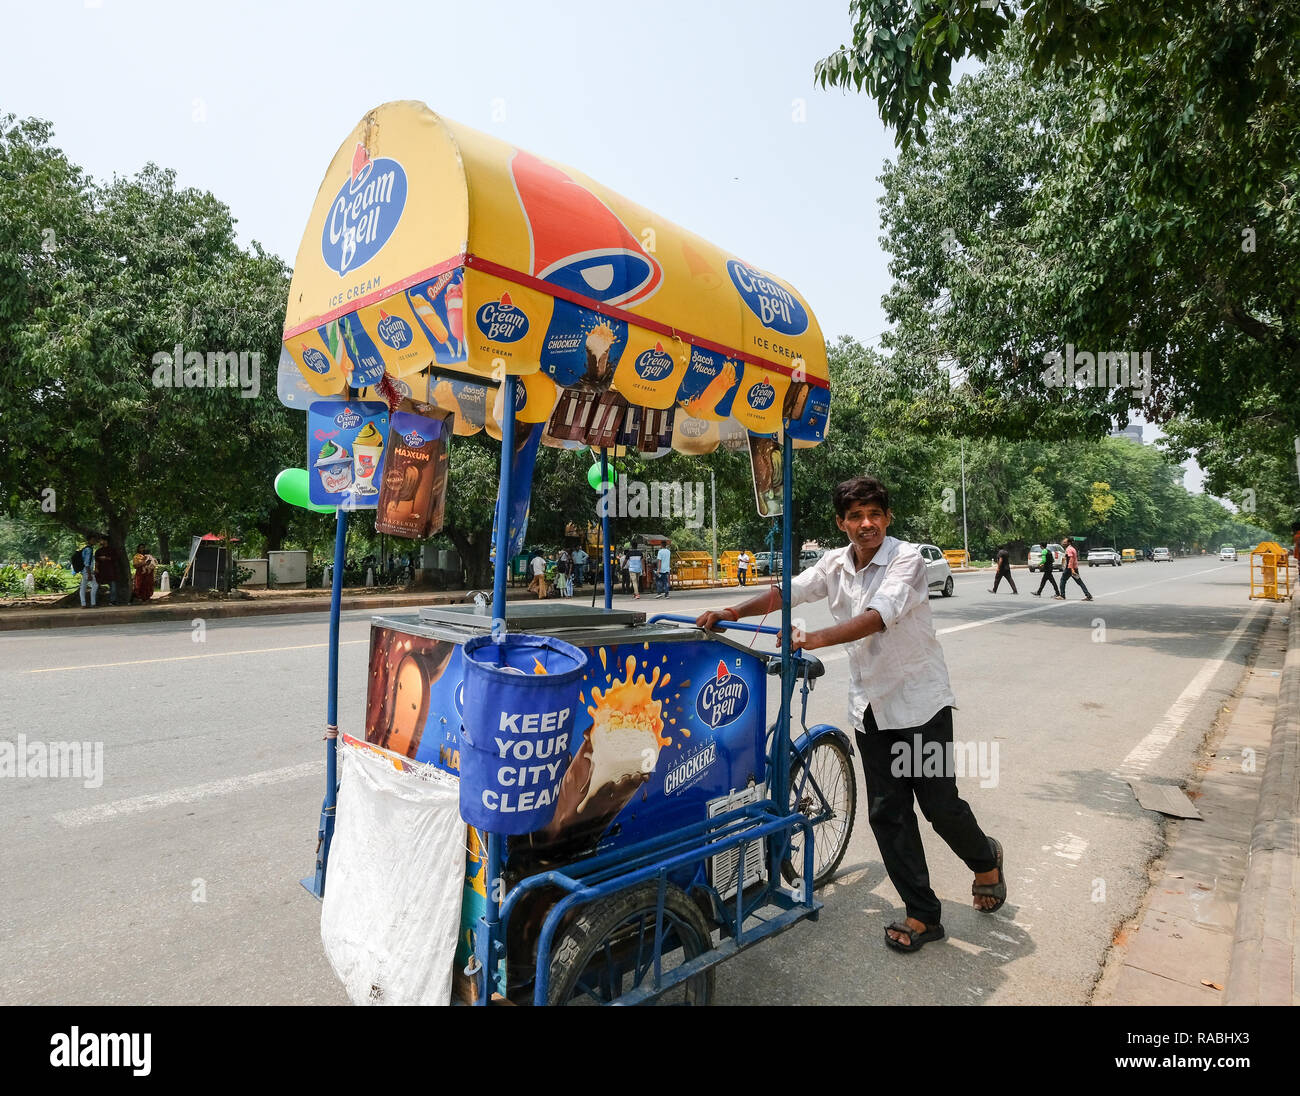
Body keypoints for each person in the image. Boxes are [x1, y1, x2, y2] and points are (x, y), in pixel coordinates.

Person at [696, 475, 1004, 953]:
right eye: (856, 516)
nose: (867, 524)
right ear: (841, 523)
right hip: (872, 709)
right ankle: (922, 913)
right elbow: (787, 592)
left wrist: (812, 639)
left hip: (919, 703)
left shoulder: (906, 560)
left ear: (888, 518)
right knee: (888, 811)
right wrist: (733, 610)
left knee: (938, 804)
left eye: (875, 514)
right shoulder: (835, 564)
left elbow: (879, 616)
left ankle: (986, 861)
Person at [1057, 535, 1093, 601]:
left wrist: (1071, 569)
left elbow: (1071, 560)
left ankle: (1062, 595)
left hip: (1070, 569)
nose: (1063, 543)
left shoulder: (1069, 549)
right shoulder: (1072, 548)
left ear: (1069, 543)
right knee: (1079, 582)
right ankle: (1088, 595)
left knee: (1063, 580)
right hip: (1074, 568)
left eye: (1065, 542)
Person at [75, 540, 98, 607]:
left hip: (83, 570)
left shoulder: (85, 549)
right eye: (93, 539)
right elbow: (87, 563)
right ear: (90, 540)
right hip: (87, 570)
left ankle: (83, 604)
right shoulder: (89, 550)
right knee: (95, 585)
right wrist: (89, 574)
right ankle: (93, 603)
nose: (95, 541)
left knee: (83, 587)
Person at [94, 538, 117, 605]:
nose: (100, 541)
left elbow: (115, 558)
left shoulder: (112, 550)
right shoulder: (98, 551)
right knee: (97, 586)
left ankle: (112, 601)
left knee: (113, 586)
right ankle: (95, 601)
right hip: (101, 571)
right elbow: (96, 561)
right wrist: (96, 569)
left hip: (111, 571)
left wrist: (106, 558)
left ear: (106, 541)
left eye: (102, 540)